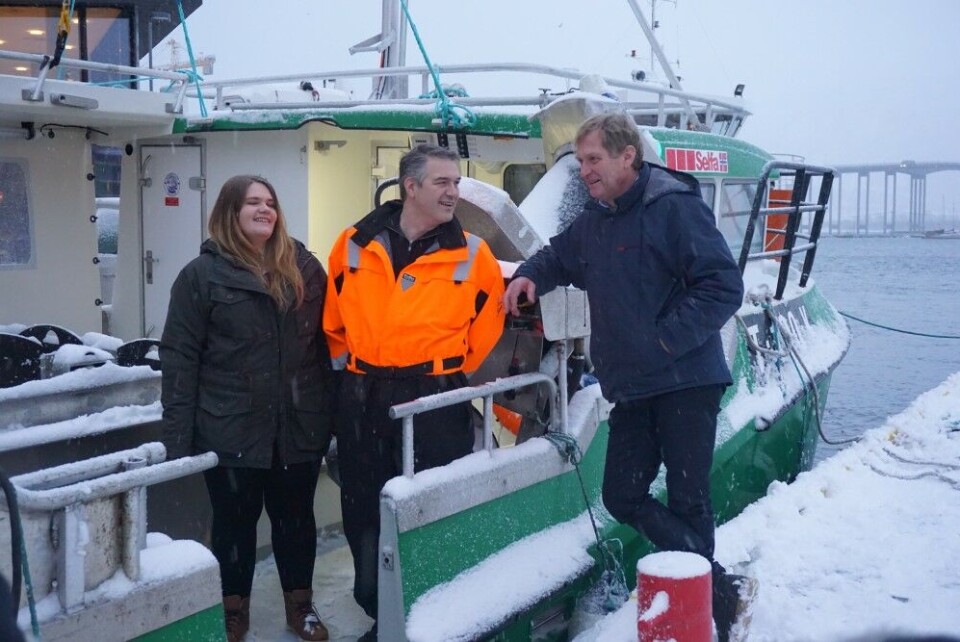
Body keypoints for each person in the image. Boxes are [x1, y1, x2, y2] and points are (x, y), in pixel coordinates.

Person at [502, 113, 747, 641]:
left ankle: (711, 613)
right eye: (581, 161)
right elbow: (558, 257)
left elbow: (723, 287)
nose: (585, 170)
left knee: (688, 499)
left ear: (627, 156)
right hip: (633, 388)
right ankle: (720, 586)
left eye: (593, 159)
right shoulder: (597, 218)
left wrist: (663, 342)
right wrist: (527, 276)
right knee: (622, 494)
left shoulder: (673, 207)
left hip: (687, 381)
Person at [323, 144, 505, 641]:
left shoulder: (474, 254)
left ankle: (431, 613)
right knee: (364, 505)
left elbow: (487, 327)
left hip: (435, 399)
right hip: (363, 395)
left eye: (456, 183)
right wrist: (361, 373)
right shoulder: (352, 244)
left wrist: (440, 371)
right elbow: (334, 322)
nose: (453, 192)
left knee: (432, 504)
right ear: (410, 186)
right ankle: (379, 611)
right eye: (443, 182)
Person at [160, 175, 334, 642]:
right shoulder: (202, 276)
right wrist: (177, 437)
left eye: (270, 202)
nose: (265, 210)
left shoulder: (304, 268)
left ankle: (301, 607)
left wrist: (333, 416)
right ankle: (232, 611)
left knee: (296, 521)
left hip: (297, 426)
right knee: (234, 526)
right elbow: (180, 357)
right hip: (230, 428)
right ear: (229, 212)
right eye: (253, 202)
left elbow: (326, 347)